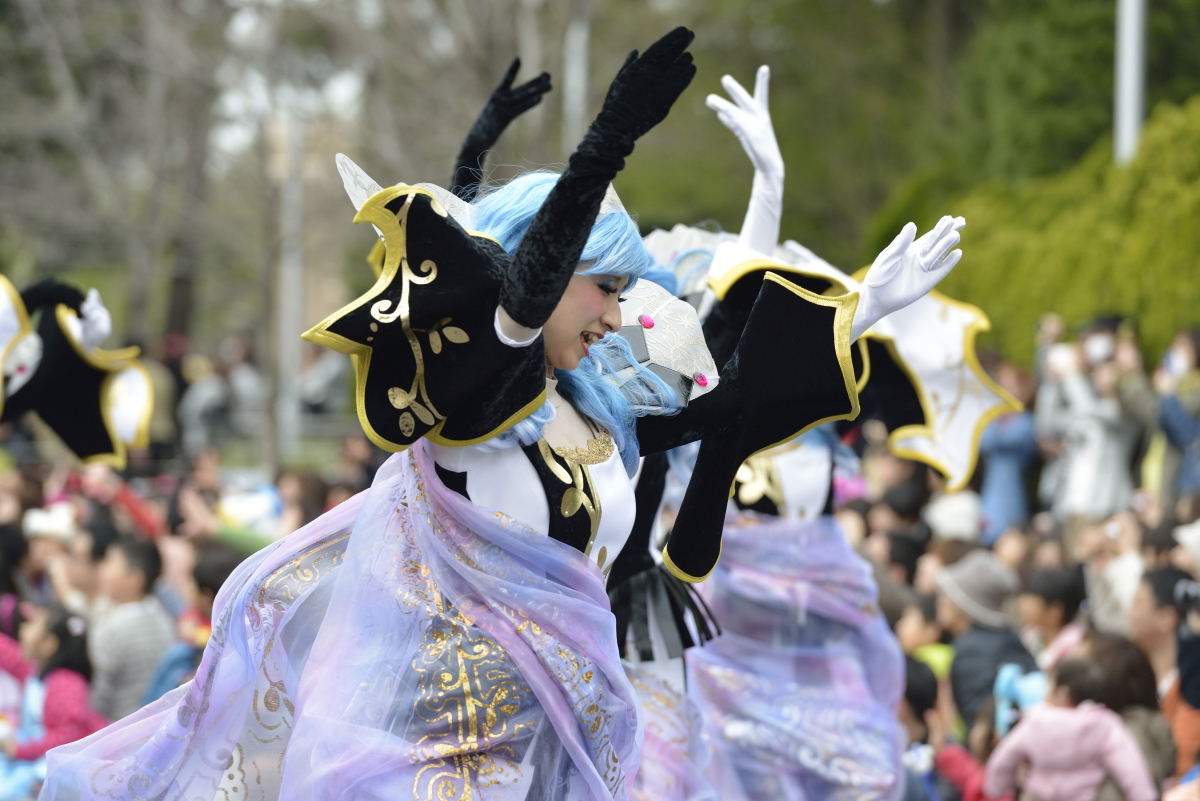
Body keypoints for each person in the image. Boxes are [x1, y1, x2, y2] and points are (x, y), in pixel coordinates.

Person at [983, 656, 1157, 801]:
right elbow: (1129, 765)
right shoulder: (1102, 725)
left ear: (1062, 694)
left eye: (1049, 686)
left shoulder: (1035, 721)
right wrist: (1144, 796)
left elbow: (1003, 759)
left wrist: (996, 788)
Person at [0, 606, 106, 799]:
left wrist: (20, 750)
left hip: (64, 768)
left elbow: (66, 738)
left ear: (49, 644)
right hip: (39, 756)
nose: (22, 628)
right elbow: (7, 654)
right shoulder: (34, 671)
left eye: (31, 624)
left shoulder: (66, 683)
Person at [935, 549, 1037, 726]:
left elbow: (979, 726)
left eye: (949, 594)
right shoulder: (1007, 637)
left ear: (965, 605)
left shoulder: (971, 652)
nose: (941, 600)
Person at [87, 536, 174, 721]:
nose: (101, 570)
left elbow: (97, 698)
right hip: (154, 725)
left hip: (115, 730)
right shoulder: (162, 616)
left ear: (134, 580)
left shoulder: (111, 629)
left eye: (109, 564)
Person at [1016, 567, 1085, 669]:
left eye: (1029, 604)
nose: (1022, 609)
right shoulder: (1029, 636)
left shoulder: (1077, 648)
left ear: (1054, 612)